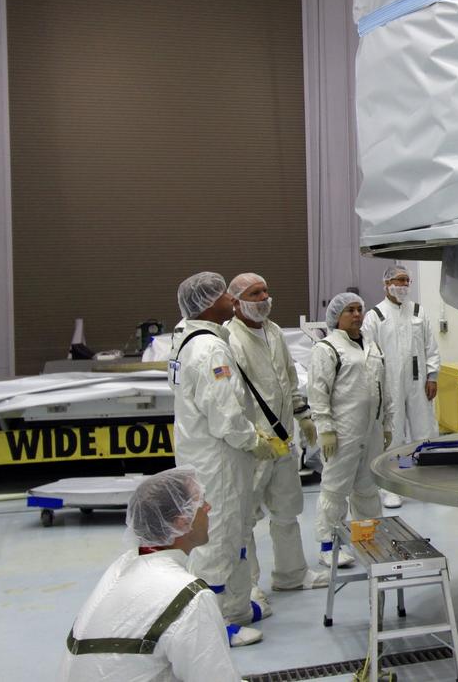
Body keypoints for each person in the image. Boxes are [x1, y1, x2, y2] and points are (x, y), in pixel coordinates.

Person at [169, 272, 280, 646]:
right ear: (205, 304)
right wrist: (254, 441)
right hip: (218, 462)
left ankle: (235, 608)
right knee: (217, 543)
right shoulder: (209, 349)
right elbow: (225, 415)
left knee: (234, 536)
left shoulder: (190, 341)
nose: (229, 300)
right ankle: (210, 628)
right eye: (221, 295)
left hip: (209, 457)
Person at [59, 467, 243, 681]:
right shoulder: (190, 597)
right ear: (182, 521)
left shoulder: (122, 567)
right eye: (201, 503)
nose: (208, 507)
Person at [225, 272, 329, 610]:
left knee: (287, 508)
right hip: (253, 446)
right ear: (237, 301)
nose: (264, 298)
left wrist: (302, 415)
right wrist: (250, 438)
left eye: (266, 291)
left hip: (284, 439)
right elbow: (231, 398)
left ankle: (291, 574)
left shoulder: (273, 332)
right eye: (255, 293)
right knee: (246, 518)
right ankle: (249, 584)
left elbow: (288, 378)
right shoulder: (230, 339)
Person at [310, 292, 392, 568]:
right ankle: (328, 546)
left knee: (368, 489)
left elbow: (384, 387)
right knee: (335, 490)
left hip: (371, 429)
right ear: (337, 316)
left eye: (359, 309)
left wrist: (388, 423)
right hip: (343, 432)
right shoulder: (327, 348)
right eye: (350, 310)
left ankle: (367, 538)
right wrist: (326, 429)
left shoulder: (372, 345)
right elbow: (318, 392)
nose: (357, 314)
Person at [363, 264, 440, 508]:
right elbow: (368, 353)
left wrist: (433, 376)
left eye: (407, 281)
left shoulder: (418, 311)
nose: (403, 285)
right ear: (386, 284)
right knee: (392, 433)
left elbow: (431, 347)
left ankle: (425, 482)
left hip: (419, 382)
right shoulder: (375, 316)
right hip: (389, 383)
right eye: (399, 280)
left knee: (424, 429)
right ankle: (391, 486)